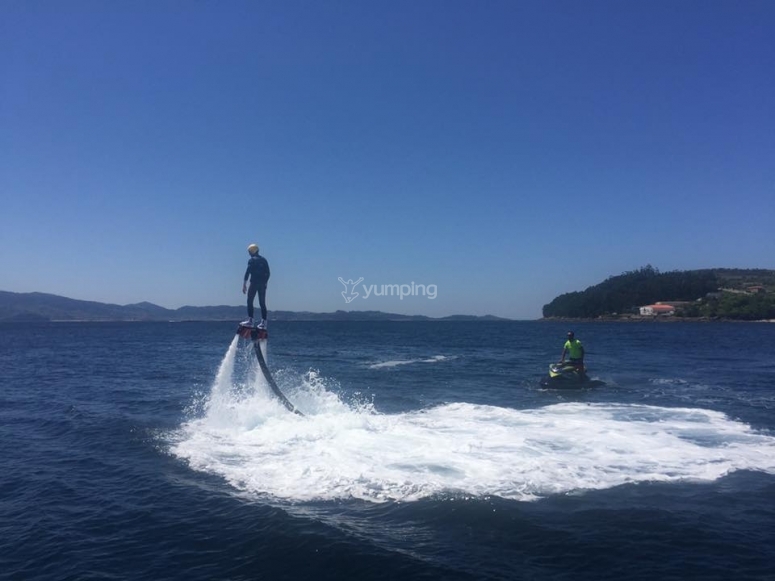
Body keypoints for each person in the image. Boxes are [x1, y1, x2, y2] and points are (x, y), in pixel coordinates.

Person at [241, 243, 270, 329]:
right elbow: (268, 273)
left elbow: (247, 272)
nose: (249, 253)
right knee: (262, 303)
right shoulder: (264, 260)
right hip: (262, 284)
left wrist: (244, 284)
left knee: (250, 301)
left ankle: (251, 320)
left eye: (249, 251)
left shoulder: (252, 260)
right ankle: (264, 322)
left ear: (252, 251)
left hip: (254, 283)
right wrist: (265, 282)